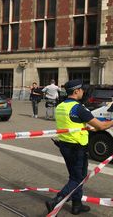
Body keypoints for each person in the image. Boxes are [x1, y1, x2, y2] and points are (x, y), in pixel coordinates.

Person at [45, 79, 113, 215]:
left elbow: (71, 124)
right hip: (78, 148)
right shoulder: (78, 108)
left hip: (64, 146)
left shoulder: (61, 106)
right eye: (82, 90)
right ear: (76, 91)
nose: (83, 92)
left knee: (76, 176)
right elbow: (101, 126)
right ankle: (56, 200)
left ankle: (77, 205)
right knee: (77, 178)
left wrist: (86, 128)